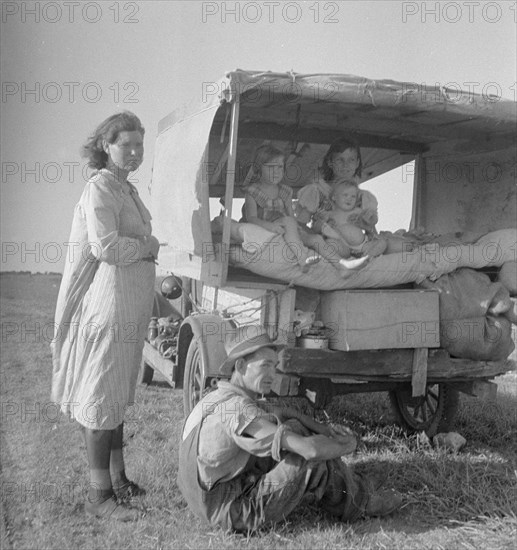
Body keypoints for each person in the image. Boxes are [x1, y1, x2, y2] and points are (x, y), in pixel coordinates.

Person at [178, 326, 403, 533]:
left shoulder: (217, 397)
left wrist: (323, 429)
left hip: (207, 499)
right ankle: (359, 502)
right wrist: (348, 444)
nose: (272, 374)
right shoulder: (238, 409)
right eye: (264, 365)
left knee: (294, 428)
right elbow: (309, 451)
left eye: (274, 366)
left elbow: (282, 412)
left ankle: (352, 484)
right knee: (308, 460)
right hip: (235, 510)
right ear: (239, 366)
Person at [50, 111, 159, 521]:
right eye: (125, 144)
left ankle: (118, 479)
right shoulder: (100, 189)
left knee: (114, 394)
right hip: (108, 307)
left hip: (127, 306)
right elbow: (106, 248)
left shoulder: (125, 189)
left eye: (139, 145)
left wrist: (144, 243)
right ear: (106, 146)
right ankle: (100, 497)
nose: (134, 152)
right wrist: (148, 246)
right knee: (100, 395)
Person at [242, 144, 368, 273]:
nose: (277, 172)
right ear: (258, 168)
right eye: (271, 167)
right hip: (267, 227)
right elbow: (251, 218)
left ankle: (342, 265)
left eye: (280, 167)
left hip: (287, 229)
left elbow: (291, 216)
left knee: (316, 239)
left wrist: (302, 231)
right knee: (288, 221)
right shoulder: (253, 192)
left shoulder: (285, 191)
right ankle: (302, 258)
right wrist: (270, 226)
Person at [320, 181, 388, 258]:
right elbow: (319, 227)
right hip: (344, 246)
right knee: (330, 243)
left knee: (382, 243)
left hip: (363, 246)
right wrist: (325, 224)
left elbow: (372, 221)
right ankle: (350, 258)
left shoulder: (357, 211)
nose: (349, 199)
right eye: (345, 195)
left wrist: (368, 219)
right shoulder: (330, 214)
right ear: (334, 197)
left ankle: (367, 257)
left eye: (353, 196)